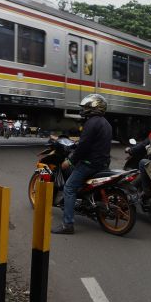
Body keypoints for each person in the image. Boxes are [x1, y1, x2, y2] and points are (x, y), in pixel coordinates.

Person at [51, 94, 112, 235]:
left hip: (90, 164)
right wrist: (77, 145)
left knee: (69, 188)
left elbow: (84, 147)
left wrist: (70, 160)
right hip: (103, 162)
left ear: (95, 108)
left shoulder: (91, 123)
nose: (84, 109)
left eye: (86, 107)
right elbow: (92, 143)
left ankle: (67, 224)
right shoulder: (105, 123)